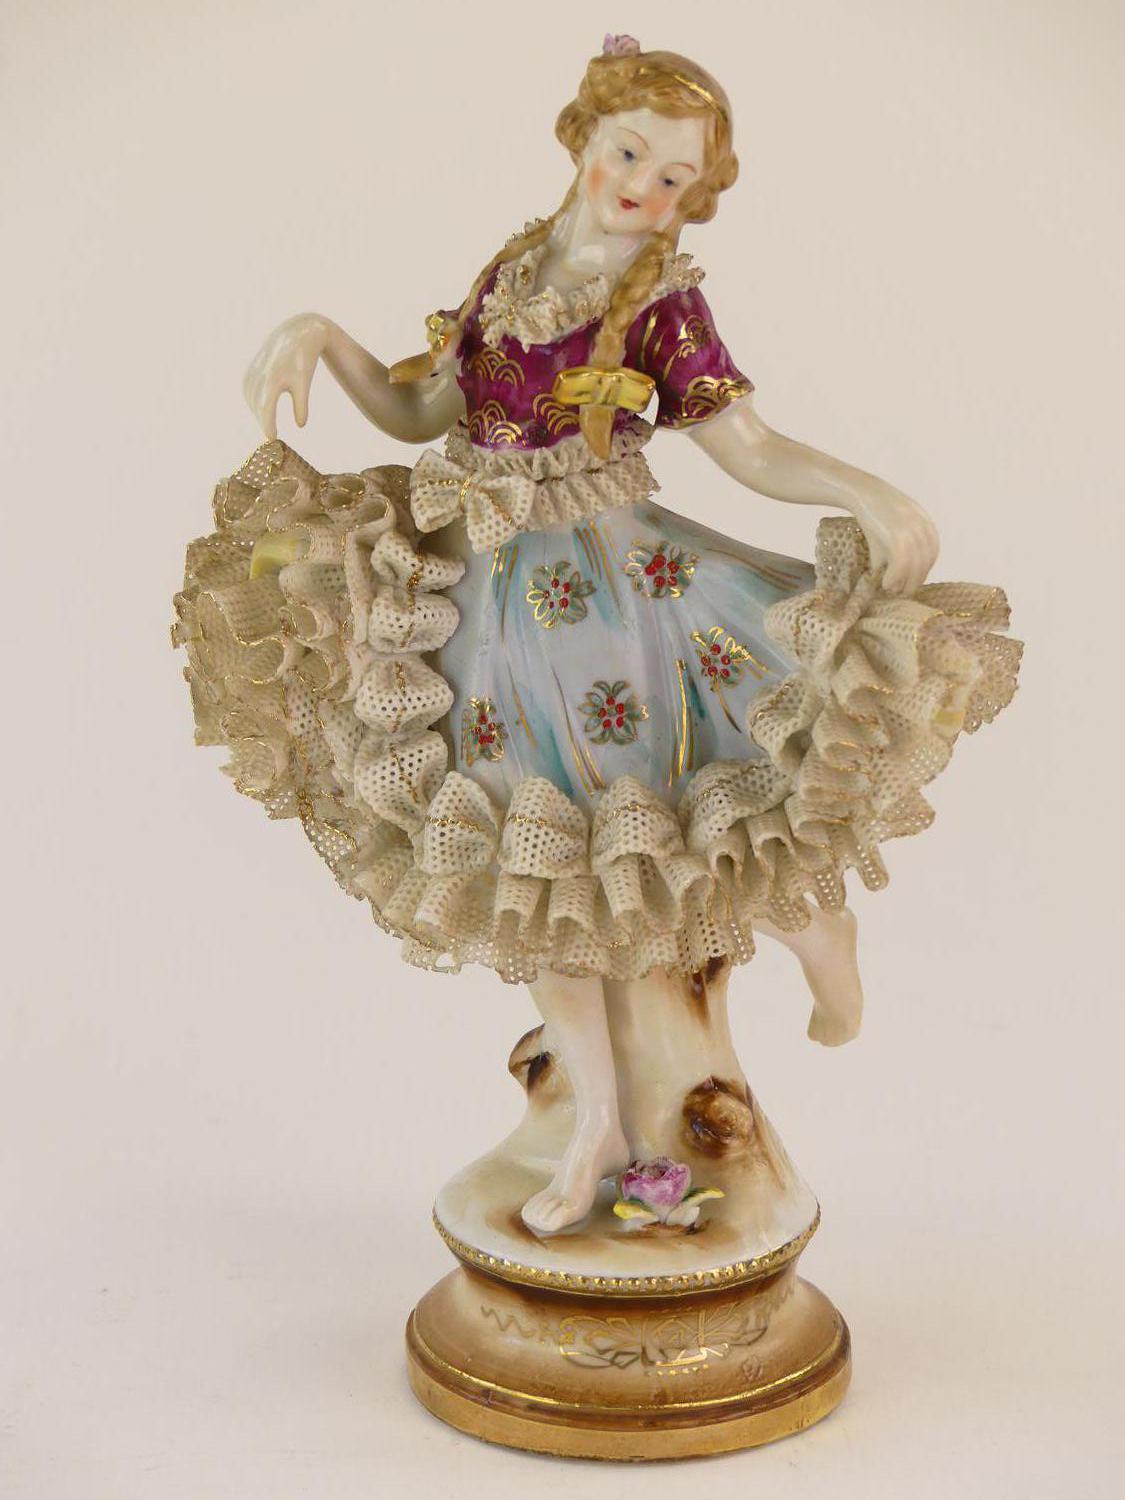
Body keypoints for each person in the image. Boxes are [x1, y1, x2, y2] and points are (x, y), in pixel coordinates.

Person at [173, 39, 1020, 1234]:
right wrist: (324, 335)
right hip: (482, 602)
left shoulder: (665, 306)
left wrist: (864, 490)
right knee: (536, 870)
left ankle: (818, 932)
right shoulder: (515, 266)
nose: (644, 187)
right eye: (630, 154)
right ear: (582, 139)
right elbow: (423, 409)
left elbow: (748, 449)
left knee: (681, 819)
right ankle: (596, 1128)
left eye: (676, 177)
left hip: (610, 599)